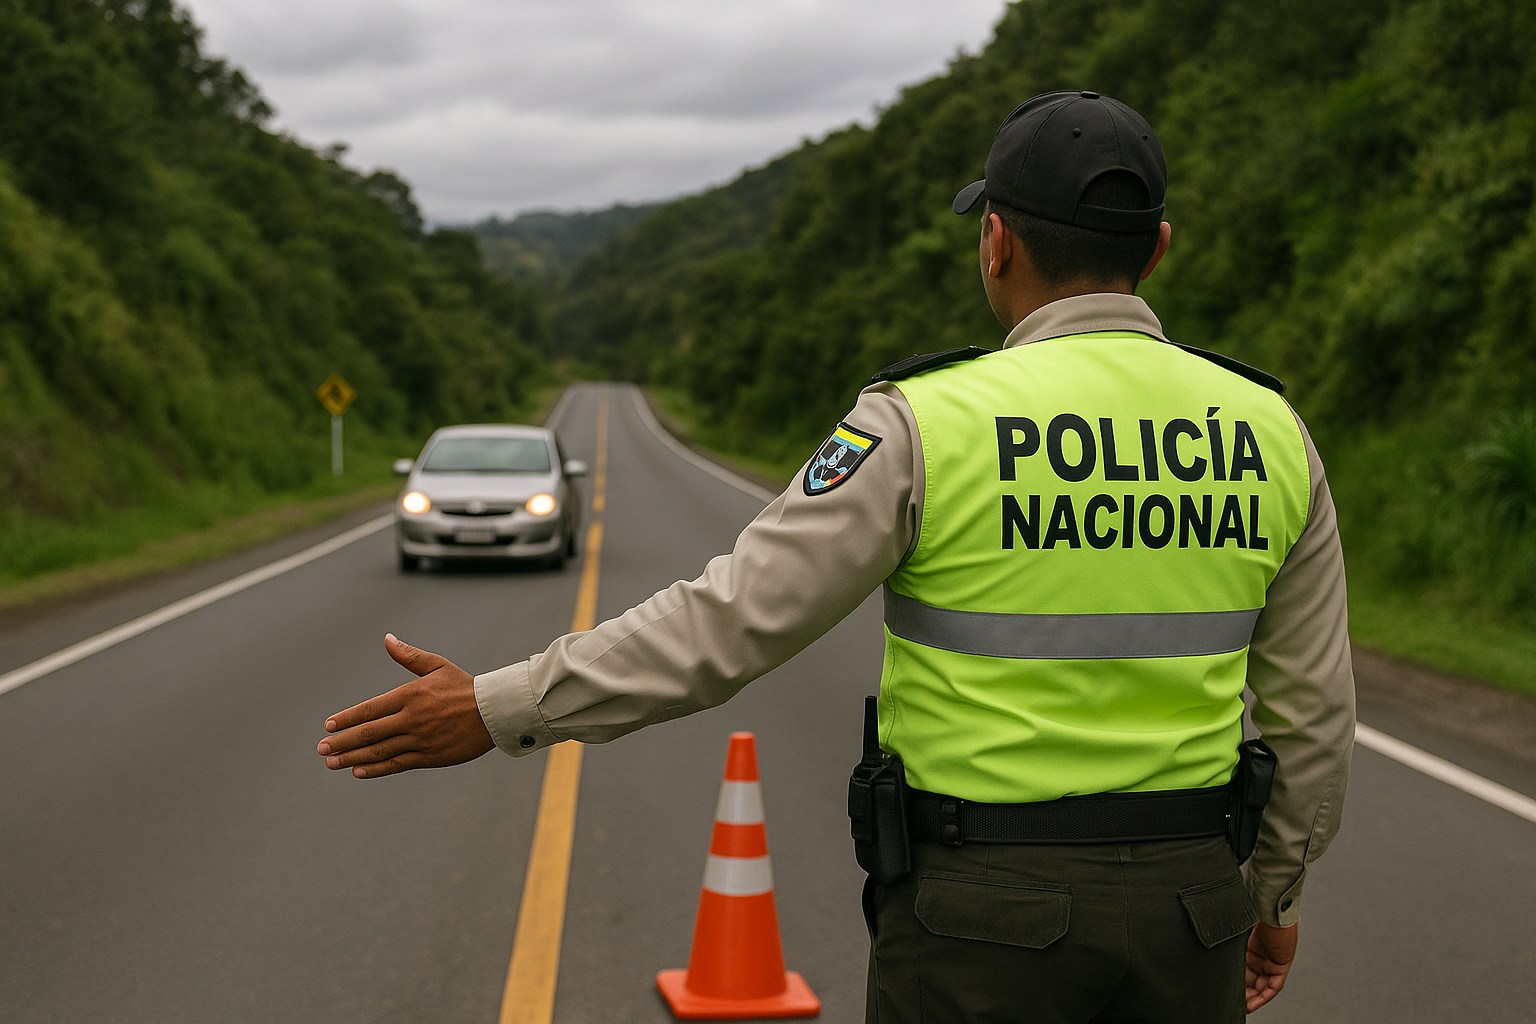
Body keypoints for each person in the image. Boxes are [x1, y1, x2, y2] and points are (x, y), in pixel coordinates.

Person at [316, 91, 1354, 1022]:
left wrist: (498, 706)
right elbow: (1314, 714)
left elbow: (725, 625)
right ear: (1157, 247)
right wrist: (1273, 896)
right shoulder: (1271, 429)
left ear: (995, 241)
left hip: (979, 926)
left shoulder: (922, 423)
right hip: (1193, 915)